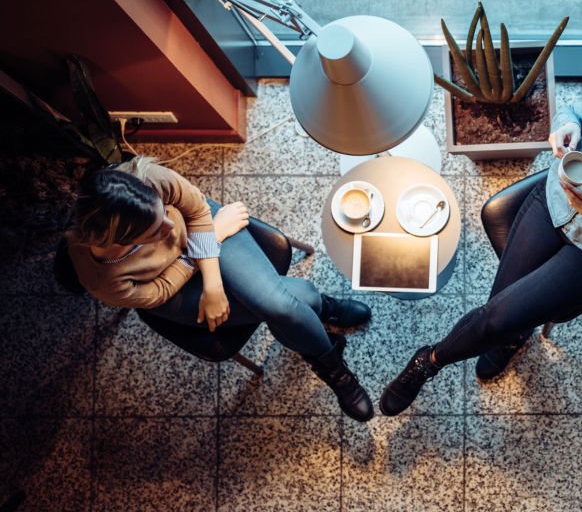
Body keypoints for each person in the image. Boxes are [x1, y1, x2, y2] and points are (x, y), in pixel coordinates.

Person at [378, 89, 582, 415]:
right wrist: (567, 125)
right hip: (552, 202)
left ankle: (429, 360)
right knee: (499, 313)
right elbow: (575, 111)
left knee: (497, 318)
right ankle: (511, 340)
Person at [67, 156, 375, 421]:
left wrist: (212, 281)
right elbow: (159, 292)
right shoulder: (102, 279)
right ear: (122, 242)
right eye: (155, 232)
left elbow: (197, 212)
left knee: (280, 306)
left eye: (165, 214)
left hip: (207, 232)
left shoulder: (145, 178)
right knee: (292, 303)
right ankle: (326, 328)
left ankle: (327, 346)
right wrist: (207, 244)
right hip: (174, 287)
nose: (171, 229)